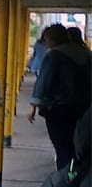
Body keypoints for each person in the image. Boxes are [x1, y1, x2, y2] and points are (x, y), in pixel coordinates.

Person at [28, 24, 92, 169]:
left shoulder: (54, 55)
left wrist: (33, 105)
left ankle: (66, 180)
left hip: (58, 109)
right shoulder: (87, 54)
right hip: (84, 107)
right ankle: (77, 173)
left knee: (62, 148)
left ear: (51, 39)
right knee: (78, 144)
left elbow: (44, 81)